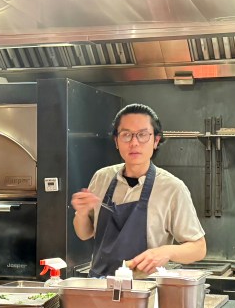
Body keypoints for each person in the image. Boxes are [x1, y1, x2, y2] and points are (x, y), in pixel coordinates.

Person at [72, 104, 206, 276]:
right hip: (100, 288)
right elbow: (85, 233)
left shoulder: (172, 188)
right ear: (116, 141)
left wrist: (165, 252)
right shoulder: (101, 177)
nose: (134, 143)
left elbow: (199, 247)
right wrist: (81, 214)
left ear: (156, 141)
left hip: (146, 294)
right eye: (126, 135)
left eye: (142, 135)